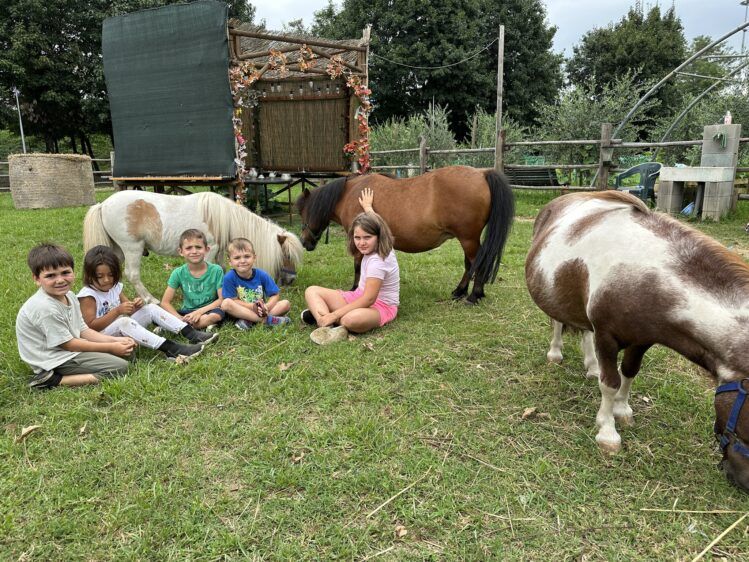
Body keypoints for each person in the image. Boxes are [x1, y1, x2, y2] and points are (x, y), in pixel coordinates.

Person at [16, 243, 136, 389]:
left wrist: (116, 340)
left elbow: (83, 330)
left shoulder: (70, 296)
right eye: (50, 276)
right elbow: (69, 344)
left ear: (73, 271)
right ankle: (52, 380)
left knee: (128, 353)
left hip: (68, 349)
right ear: (36, 279)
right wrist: (110, 347)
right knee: (120, 367)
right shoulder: (45, 307)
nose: (60, 280)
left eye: (65, 272)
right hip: (54, 358)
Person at [78, 246, 213, 361]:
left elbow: (129, 310)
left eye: (111, 274)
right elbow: (90, 327)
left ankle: (190, 333)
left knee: (150, 308)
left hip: (120, 328)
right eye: (100, 276)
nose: (106, 280)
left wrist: (136, 305)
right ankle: (171, 348)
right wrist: (117, 311)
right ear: (90, 275)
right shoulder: (88, 296)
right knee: (124, 322)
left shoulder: (114, 287)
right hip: (101, 338)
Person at [303, 188, 400, 344]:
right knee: (311, 291)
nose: (361, 242)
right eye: (357, 237)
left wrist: (334, 315)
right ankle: (327, 323)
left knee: (350, 320)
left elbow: (369, 299)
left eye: (367, 237)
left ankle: (328, 318)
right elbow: (378, 222)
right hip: (357, 297)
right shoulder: (377, 241)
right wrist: (368, 207)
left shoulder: (379, 260)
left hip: (380, 306)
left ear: (378, 236)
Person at [220, 237, 291, 329]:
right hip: (241, 310)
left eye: (247, 256)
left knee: (285, 304)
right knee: (226, 303)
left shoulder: (262, 274)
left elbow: (275, 295)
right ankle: (267, 320)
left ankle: (249, 321)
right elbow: (233, 301)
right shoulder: (229, 277)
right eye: (237, 258)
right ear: (230, 262)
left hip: (262, 309)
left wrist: (267, 307)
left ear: (254, 257)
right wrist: (252, 306)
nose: (242, 261)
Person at [161, 229, 225, 330]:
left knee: (216, 315)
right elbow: (165, 302)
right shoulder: (178, 273)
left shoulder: (216, 270)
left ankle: (178, 327)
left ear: (207, 249)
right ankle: (188, 324)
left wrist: (199, 312)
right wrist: (179, 318)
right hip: (187, 312)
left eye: (198, 247)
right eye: (188, 248)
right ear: (181, 251)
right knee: (161, 314)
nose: (194, 251)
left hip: (209, 309)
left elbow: (221, 299)